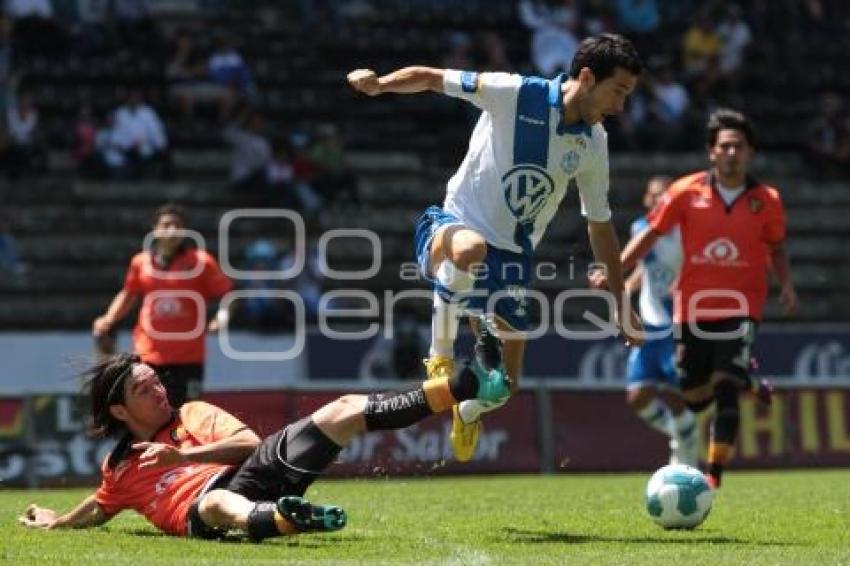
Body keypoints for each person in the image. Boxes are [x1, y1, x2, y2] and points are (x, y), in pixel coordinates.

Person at [347, 33, 645, 463]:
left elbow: (600, 226)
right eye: (618, 91)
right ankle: (441, 358)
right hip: (452, 226)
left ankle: (468, 410)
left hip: (514, 258)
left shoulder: (592, 143)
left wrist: (620, 303)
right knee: (470, 250)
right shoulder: (517, 93)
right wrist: (379, 85)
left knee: (505, 386)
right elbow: (432, 78)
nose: (621, 105)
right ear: (586, 77)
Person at [17, 323, 510, 540]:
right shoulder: (121, 467)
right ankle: (291, 518)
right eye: (146, 390)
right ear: (121, 412)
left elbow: (249, 446)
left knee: (344, 408)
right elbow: (99, 506)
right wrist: (55, 522)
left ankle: (469, 380)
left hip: (253, 470)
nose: (160, 391)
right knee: (211, 506)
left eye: (156, 381)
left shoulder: (191, 414)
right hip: (210, 510)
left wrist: (182, 460)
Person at [606, 109, 799, 488]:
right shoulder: (684, 192)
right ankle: (747, 379)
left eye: (738, 147)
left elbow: (777, 247)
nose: (731, 153)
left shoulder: (767, 201)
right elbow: (650, 235)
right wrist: (614, 271)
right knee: (694, 398)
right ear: (711, 152)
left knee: (724, 384)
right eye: (724, 146)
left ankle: (713, 476)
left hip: (742, 305)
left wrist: (786, 284)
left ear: (750, 152)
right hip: (691, 306)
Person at [92, 204, 233, 408]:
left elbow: (229, 296)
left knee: (188, 414)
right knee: (150, 411)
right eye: (166, 224)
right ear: (155, 229)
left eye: (177, 225)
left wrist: (221, 319)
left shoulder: (201, 262)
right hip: (149, 353)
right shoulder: (140, 262)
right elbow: (129, 293)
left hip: (189, 356)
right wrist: (108, 318)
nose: (172, 230)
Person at [621, 175, 697, 465]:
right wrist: (630, 284)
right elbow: (645, 265)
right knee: (637, 396)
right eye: (653, 195)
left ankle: (684, 442)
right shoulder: (639, 228)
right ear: (646, 200)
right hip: (649, 322)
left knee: (674, 394)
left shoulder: (686, 230)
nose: (658, 199)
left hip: (677, 323)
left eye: (664, 195)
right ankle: (683, 434)